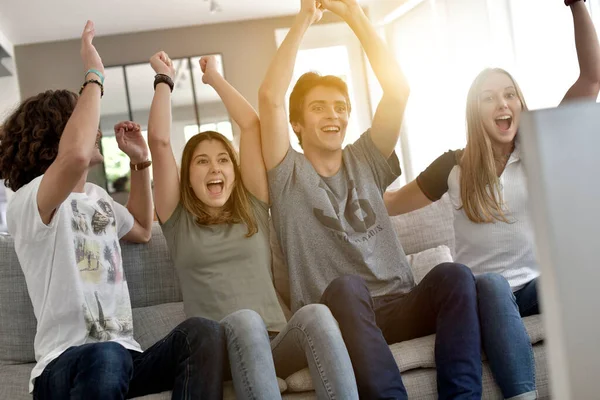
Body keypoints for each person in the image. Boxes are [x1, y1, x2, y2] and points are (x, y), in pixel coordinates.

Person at [258, 0, 482, 398]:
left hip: (398, 302)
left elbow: (398, 89)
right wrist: (304, 19)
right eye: (319, 107)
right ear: (297, 123)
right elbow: (271, 98)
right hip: (337, 313)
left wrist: (356, 17)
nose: (334, 115)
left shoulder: (366, 157)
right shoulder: (287, 173)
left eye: (341, 107)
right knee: (346, 287)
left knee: (455, 275)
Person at [384, 1, 600, 399]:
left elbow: (591, 80)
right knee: (491, 285)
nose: (503, 104)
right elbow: (391, 204)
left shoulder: (538, 146)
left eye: (510, 95)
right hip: (488, 298)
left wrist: (578, 5)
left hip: (536, 289)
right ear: (474, 111)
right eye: (489, 98)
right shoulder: (453, 167)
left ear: (519, 103)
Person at [0, 21, 225, 399]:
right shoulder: (30, 201)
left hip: (123, 359)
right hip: (63, 366)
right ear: (57, 137)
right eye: (81, 121)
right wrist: (94, 74)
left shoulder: (96, 196)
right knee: (107, 356)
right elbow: (72, 156)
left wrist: (140, 162)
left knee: (202, 333)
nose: (96, 129)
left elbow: (140, 226)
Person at [146, 51, 357, 399]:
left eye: (223, 160)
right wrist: (164, 81)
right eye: (202, 161)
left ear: (234, 170)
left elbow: (251, 125)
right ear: (188, 176)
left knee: (317, 314)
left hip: (276, 341)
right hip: (222, 348)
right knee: (245, 320)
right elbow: (159, 141)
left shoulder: (253, 208)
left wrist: (214, 77)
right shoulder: (177, 222)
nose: (215, 168)